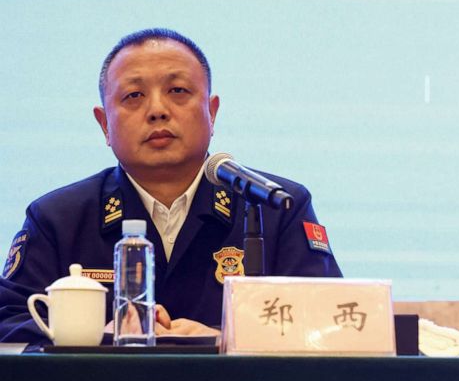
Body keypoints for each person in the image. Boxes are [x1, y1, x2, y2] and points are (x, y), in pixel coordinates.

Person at [0, 28, 342, 344]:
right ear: (104, 123)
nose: (157, 110)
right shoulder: (58, 218)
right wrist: (96, 335)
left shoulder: (275, 206)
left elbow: (332, 326)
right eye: (133, 95)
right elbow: (7, 325)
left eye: (177, 91)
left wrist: (228, 339)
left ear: (212, 111)